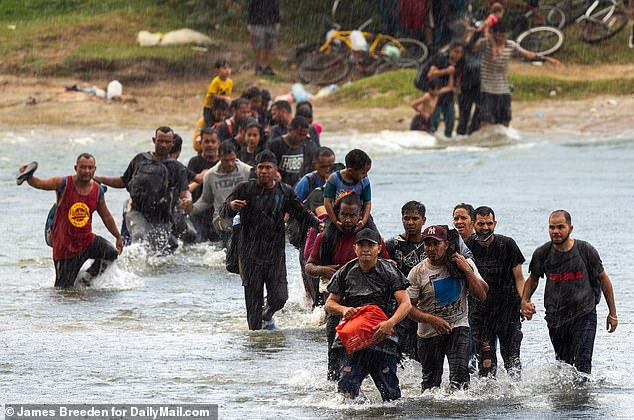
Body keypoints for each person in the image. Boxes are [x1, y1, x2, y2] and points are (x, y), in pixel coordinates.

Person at [220, 150, 323, 330]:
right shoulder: (244, 189)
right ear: (255, 169)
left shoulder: (284, 191)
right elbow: (223, 211)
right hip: (249, 256)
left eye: (268, 167)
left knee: (280, 298)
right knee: (253, 306)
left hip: (274, 254)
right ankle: (255, 344)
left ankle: (266, 314)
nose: (264, 171)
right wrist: (231, 206)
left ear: (275, 170)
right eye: (260, 167)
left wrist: (318, 225)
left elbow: (301, 212)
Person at [521, 210, 618, 374]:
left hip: (584, 314)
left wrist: (612, 313)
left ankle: (583, 398)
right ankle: (565, 400)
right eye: (552, 227)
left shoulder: (585, 250)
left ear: (570, 228)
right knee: (563, 366)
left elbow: (604, 279)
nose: (556, 232)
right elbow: (533, 279)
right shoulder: (542, 253)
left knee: (583, 362)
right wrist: (524, 301)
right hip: (556, 317)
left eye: (560, 227)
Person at [306, 193, 391, 380]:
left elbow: (388, 265)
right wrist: (323, 269)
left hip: (368, 306)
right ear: (336, 213)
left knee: (370, 350)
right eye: (343, 214)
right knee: (335, 350)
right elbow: (309, 266)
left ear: (361, 215)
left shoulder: (372, 239)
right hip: (336, 303)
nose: (347, 220)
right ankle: (336, 389)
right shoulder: (325, 237)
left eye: (352, 215)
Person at [324, 228, 412, 401]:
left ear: (378, 248)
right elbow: (329, 304)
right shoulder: (345, 271)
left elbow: (406, 304)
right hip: (354, 336)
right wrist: (343, 310)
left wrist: (390, 323)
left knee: (391, 396)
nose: (366, 249)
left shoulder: (389, 271)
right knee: (346, 392)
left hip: (382, 335)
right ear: (354, 248)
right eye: (361, 245)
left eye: (370, 245)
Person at [18, 153, 123, 288]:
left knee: (111, 254)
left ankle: (87, 280)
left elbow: (106, 217)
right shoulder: (63, 184)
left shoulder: (97, 191)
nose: (87, 171)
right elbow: (40, 184)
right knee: (63, 291)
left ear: (94, 169)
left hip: (87, 242)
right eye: (83, 167)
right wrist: (28, 176)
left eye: (90, 168)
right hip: (65, 249)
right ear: (75, 168)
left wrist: (118, 236)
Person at [407, 225, 488, 391]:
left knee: (460, 376)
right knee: (430, 385)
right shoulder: (417, 272)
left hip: (458, 325)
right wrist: (431, 320)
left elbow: (481, 295)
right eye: (427, 244)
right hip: (429, 331)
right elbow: (409, 308)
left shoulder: (461, 264)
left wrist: (467, 271)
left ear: (446, 244)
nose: (431, 249)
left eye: (436, 244)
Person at [95, 127, 192, 252]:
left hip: (162, 218)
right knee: (139, 236)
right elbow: (124, 181)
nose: (163, 145)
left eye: (167, 142)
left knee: (160, 252)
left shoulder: (178, 168)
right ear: (154, 140)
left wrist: (187, 200)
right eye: (160, 141)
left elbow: (185, 192)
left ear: (172, 143)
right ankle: (130, 267)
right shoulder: (140, 159)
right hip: (136, 211)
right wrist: (101, 179)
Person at [465, 206, 525, 377]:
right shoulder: (467, 246)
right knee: (486, 361)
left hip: (508, 310)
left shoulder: (507, 244)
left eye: (489, 224)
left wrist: (525, 301)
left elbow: (520, 278)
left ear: (495, 223)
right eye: (481, 224)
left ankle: (516, 395)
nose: (485, 228)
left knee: (512, 359)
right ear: (473, 224)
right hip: (481, 313)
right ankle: (488, 399)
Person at [480, 21, 561, 128]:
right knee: (486, 121)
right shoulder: (486, 44)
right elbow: (473, 43)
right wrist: (491, 41)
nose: (502, 38)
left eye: (504, 35)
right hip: (487, 90)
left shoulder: (510, 45)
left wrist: (547, 59)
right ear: (494, 34)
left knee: (506, 120)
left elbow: (528, 54)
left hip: (504, 90)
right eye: (499, 35)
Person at [385, 201, 427, 361]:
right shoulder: (392, 245)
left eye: (415, 219)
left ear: (423, 220)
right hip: (399, 306)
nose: (410, 222)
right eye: (406, 218)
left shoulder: (430, 244)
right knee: (402, 352)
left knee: (424, 352)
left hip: (425, 304)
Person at [192, 142, 252, 245]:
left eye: (232, 159)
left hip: (244, 216)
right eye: (226, 160)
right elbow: (206, 200)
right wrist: (191, 209)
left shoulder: (247, 171)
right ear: (219, 157)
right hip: (221, 218)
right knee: (229, 238)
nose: (230, 164)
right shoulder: (210, 176)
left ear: (236, 157)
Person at [323, 149, 373, 233]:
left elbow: (367, 203)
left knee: (373, 233)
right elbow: (327, 202)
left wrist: (363, 222)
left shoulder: (365, 181)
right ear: (350, 171)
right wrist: (335, 221)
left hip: (358, 215)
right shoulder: (334, 178)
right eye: (363, 173)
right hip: (338, 215)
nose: (366, 175)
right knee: (326, 236)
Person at [266, 116, 317, 187]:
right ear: (290, 129)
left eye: (304, 135)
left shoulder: (304, 146)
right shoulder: (276, 144)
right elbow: (267, 164)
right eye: (299, 134)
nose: (302, 138)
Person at [428, 41, 464, 138]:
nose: (458, 55)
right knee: (434, 122)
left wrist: (457, 88)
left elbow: (458, 80)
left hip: (449, 95)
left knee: (450, 122)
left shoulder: (460, 63)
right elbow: (430, 74)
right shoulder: (442, 58)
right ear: (450, 51)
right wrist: (446, 71)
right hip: (436, 94)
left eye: (461, 52)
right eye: (456, 52)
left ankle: (447, 145)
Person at [247, 0, 279, 76]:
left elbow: (276, 6)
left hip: (271, 21)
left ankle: (267, 66)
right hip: (257, 22)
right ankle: (258, 67)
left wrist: (277, 20)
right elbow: (250, 8)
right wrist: (249, 22)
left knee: (269, 45)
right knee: (258, 45)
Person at [188, 128, 220, 201]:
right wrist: (202, 178)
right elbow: (187, 189)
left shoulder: (223, 162)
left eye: (213, 142)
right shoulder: (194, 162)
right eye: (206, 142)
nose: (210, 145)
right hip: (197, 204)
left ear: (218, 143)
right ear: (200, 143)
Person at [202, 59, 233, 128]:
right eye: (224, 68)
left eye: (229, 68)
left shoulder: (230, 82)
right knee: (210, 124)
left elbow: (228, 95)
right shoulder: (216, 82)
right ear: (217, 70)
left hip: (222, 107)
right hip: (210, 107)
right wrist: (224, 98)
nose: (227, 70)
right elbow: (211, 95)